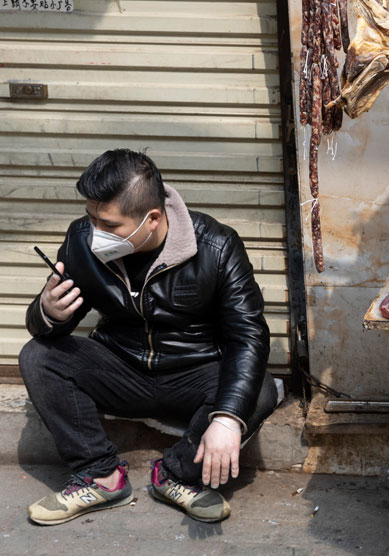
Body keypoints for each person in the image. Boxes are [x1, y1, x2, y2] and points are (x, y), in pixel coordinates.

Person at [19, 149, 278, 525]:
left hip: (195, 374)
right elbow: (50, 327)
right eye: (91, 217)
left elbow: (248, 336)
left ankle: (175, 475)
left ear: (152, 218)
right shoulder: (81, 241)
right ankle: (100, 475)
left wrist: (226, 417)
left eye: (108, 224)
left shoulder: (218, 247)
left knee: (260, 390)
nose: (95, 232)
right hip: (120, 369)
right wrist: (47, 312)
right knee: (38, 356)